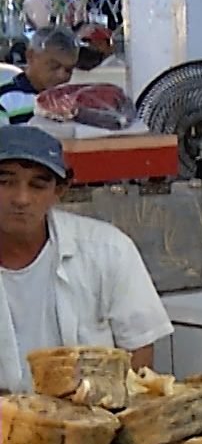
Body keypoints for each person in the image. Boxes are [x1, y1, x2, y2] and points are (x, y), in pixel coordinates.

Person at [0, 127, 174, 391]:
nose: (21, 199)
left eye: (38, 185)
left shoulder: (108, 249)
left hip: (94, 422)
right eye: (5, 182)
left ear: (60, 190)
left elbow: (139, 352)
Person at [2, 29, 81, 124]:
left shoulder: (73, 98)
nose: (62, 75)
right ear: (30, 56)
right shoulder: (6, 99)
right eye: (54, 67)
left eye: (69, 70)